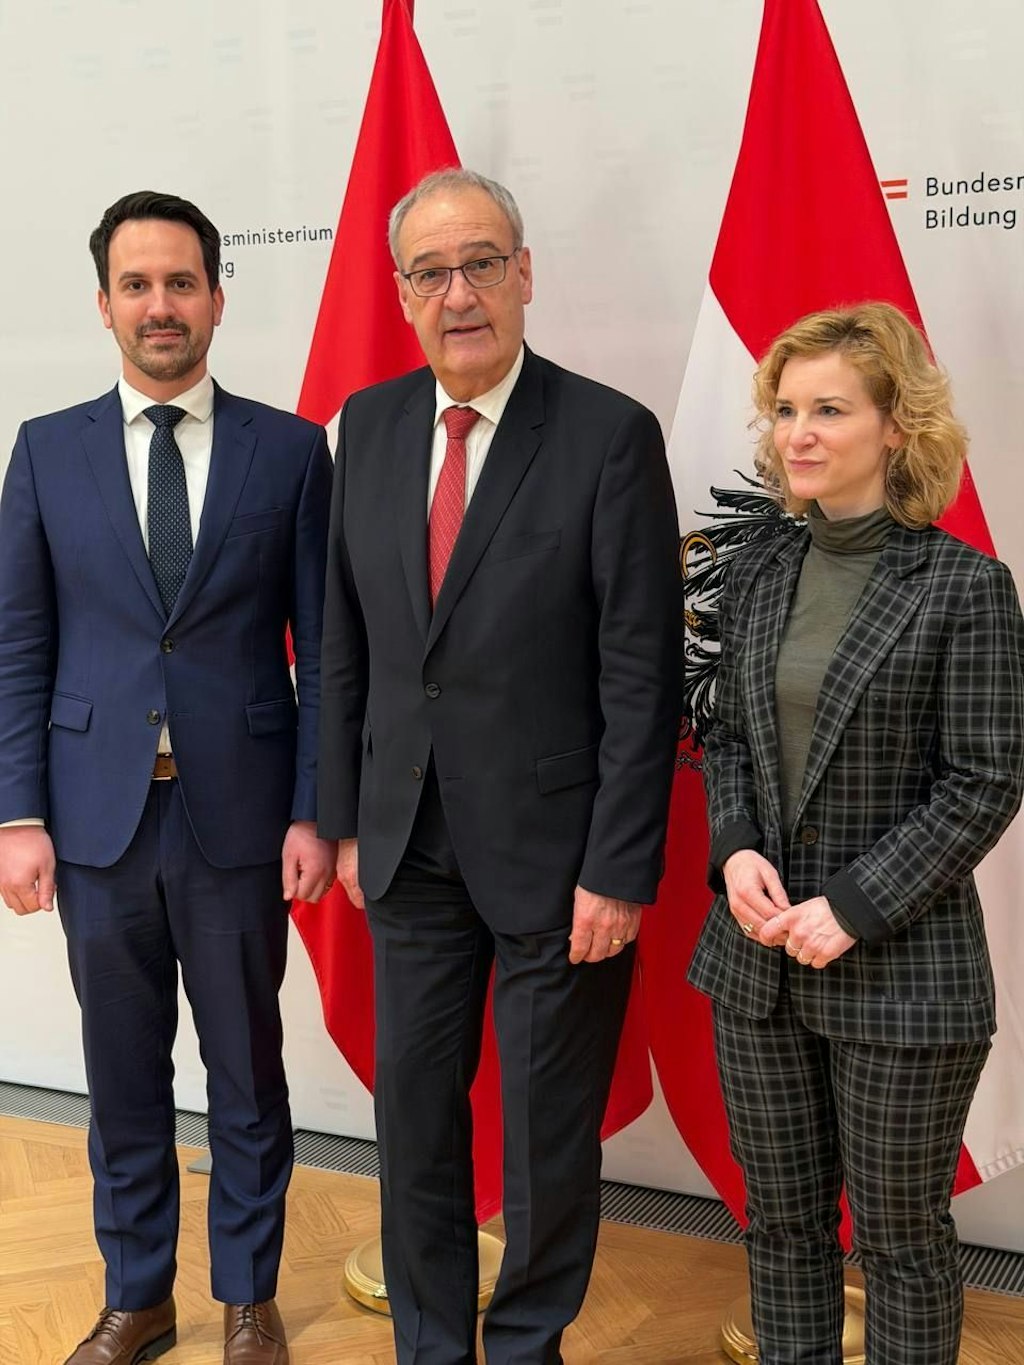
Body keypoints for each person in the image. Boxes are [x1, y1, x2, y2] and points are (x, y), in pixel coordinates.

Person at [317, 167, 682, 1364]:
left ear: (525, 276)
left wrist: (619, 869)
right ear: (402, 293)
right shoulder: (365, 426)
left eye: (482, 263)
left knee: (541, 1137)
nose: (458, 292)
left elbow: (640, 673)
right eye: (431, 271)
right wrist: (344, 816)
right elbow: (345, 645)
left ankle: (525, 1343)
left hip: (557, 860)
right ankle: (434, 1345)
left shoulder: (607, 434)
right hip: (406, 849)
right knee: (415, 1124)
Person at [0, 191, 336, 1365]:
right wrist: (17, 813)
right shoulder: (45, 448)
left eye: (180, 283)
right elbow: (20, 639)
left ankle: (249, 1298)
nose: (160, 305)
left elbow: (324, 648)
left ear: (216, 300)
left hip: (240, 821)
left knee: (247, 1071)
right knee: (122, 1073)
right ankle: (135, 1295)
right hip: (93, 821)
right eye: (136, 285)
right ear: (104, 305)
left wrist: (312, 811)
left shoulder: (290, 450)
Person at [688, 301, 1024, 1365]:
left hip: (903, 975)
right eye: (784, 409)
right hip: (758, 967)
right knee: (781, 1230)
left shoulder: (965, 587)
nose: (796, 433)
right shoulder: (758, 571)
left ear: (896, 427)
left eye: (828, 409)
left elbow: (984, 782)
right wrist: (735, 847)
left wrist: (854, 907)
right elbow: (728, 736)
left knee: (899, 1241)